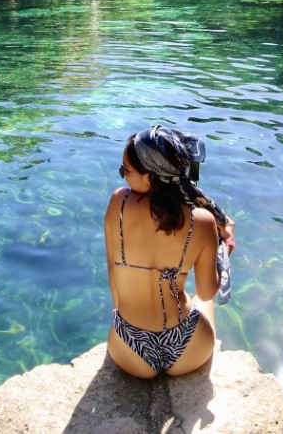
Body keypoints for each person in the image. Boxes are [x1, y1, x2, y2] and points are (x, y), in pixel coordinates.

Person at [104, 125, 234, 378]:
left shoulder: (118, 203)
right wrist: (226, 245)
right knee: (199, 302)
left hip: (129, 350)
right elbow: (207, 293)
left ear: (149, 177)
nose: (123, 177)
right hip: (188, 349)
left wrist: (121, 311)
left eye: (126, 170)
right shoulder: (203, 220)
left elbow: (113, 272)